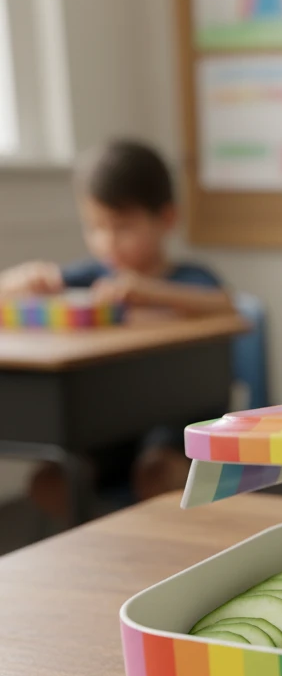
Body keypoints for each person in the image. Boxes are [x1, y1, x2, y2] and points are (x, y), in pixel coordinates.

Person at [0, 139, 232, 519]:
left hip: (175, 421)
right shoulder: (92, 277)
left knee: (156, 472)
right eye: (95, 227)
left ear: (166, 219)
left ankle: (169, 545)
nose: (108, 241)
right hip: (108, 426)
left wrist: (150, 291)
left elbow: (228, 306)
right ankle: (99, 544)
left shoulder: (189, 278)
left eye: (122, 226)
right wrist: (18, 282)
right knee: (48, 481)